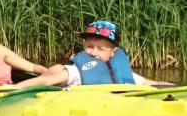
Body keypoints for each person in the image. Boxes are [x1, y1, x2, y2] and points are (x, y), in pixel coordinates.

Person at [15, 19, 168, 88]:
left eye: (101, 49)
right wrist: (13, 89)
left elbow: (152, 83)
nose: (94, 53)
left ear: (113, 52)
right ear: (83, 45)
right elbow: (46, 82)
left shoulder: (123, 75)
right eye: (90, 47)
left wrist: (185, 90)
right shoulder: (76, 72)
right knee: (56, 69)